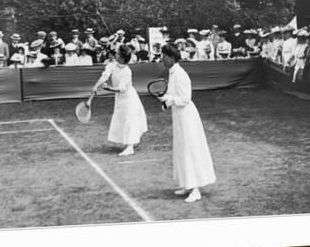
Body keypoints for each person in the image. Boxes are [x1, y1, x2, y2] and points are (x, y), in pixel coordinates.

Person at [158, 44, 216, 202]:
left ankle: (195, 190)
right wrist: (166, 101)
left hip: (187, 117)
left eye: (163, 56)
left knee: (190, 150)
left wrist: (169, 99)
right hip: (178, 116)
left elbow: (185, 98)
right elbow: (172, 95)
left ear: (171, 58)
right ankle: (187, 184)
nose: (161, 59)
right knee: (181, 150)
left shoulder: (181, 74)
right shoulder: (172, 73)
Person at [91, 45, 148, 156]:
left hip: (129, 98)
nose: (115, 54)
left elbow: (121, 89)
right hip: (120, 99)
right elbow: (105, 76)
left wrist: (108, 88)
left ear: (122, 57)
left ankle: (130, 147)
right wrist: (95, 86)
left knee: (130, 120)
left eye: (117, 53)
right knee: (122, 120)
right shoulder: (111, 65)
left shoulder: (127, 72)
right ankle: (133, 141)